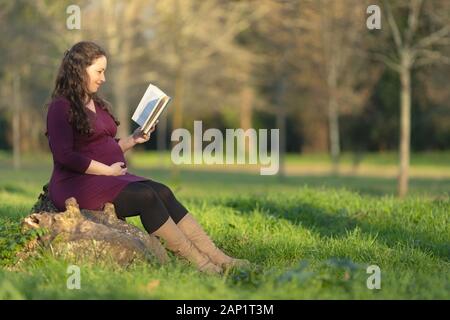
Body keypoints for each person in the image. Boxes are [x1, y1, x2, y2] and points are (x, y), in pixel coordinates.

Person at [45, 41, 249, 274]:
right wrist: (107, 171)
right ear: (80, 69)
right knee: (146, 196)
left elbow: (104, 147)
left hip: (108, 177)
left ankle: (219, 258)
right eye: (99, 71)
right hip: (76, 184)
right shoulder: (60, 107)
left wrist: (133, 139)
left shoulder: (95, 103)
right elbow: (64, 156)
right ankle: (202, 265)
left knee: (162, 191)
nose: (103, 78)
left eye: (105, 71)